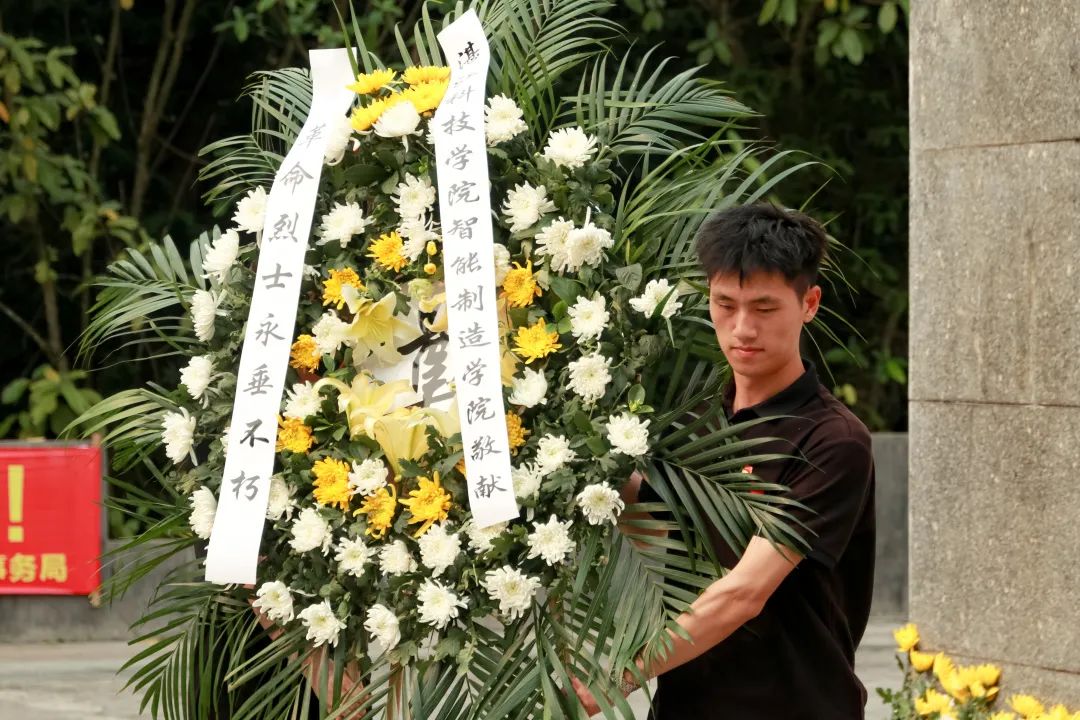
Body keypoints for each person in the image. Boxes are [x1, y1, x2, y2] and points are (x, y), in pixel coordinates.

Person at [572, 202, 877, 719]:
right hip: (684, 705)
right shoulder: (697, 421)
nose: (742, 329)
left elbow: (744, 593)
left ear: (809, 303)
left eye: (764, 308)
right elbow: (642, 516)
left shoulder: (832, 440)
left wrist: (618, 676)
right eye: (725, 304)